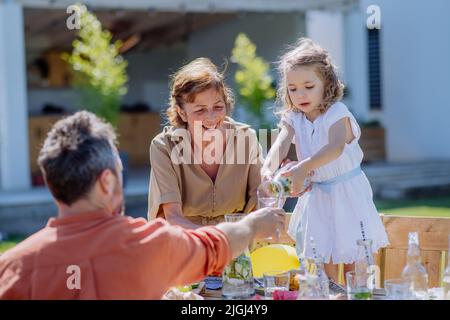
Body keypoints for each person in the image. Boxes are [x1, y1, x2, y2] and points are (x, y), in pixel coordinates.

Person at [0, 111, 285, 299]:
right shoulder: (149, 245)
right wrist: (253, 225)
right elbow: (215, 246)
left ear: (51, 184)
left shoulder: (11, 269)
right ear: (107, 181)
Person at [261, 38, 388, 282]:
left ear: (326, 84)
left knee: (356, 265)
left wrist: (302, 167)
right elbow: (281, 143)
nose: (301, 94)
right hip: (318, 197)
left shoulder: (337, 113)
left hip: (348, 194)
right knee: (324, 264)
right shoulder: (294, 118)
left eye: (309, 86)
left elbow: (335, 148)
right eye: (293, 88)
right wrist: (266, 170)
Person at [148, 58, 263, 228]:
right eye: (200, 110)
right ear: (182, 112)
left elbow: (260, 203)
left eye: (218, 107)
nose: (211, 117)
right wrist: (221, 241)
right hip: (186, 241)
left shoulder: (246, 139)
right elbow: (173, 218)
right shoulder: (164, 147)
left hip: (238, 240)